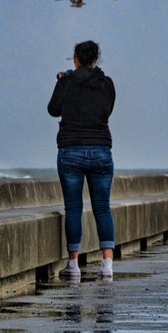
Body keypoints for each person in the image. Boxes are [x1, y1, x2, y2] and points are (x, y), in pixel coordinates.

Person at [47, 40, 116, 282]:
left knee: (74, 208)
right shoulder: (106, 84)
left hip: (71, 150)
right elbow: (106, 110)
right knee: (102, 207)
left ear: (75, 59)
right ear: (96, 59)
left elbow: (53, 110)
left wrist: (62, 81)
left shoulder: (65, 82)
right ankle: (107, 265)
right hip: (100, 151)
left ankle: (73, 265)